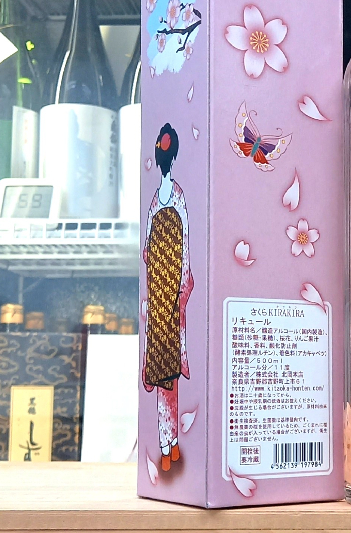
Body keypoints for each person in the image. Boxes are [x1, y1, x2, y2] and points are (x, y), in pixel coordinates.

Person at [142, 123, 193, 472]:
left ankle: (168, 444)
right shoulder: (176, 198)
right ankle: (168, 444)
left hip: (163, 293)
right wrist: (179, 283)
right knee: (166, 371)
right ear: (172, 157)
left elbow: (147, 251)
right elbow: (183, 245)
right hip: (168, 292)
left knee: (165, 370)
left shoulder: (158, 203)